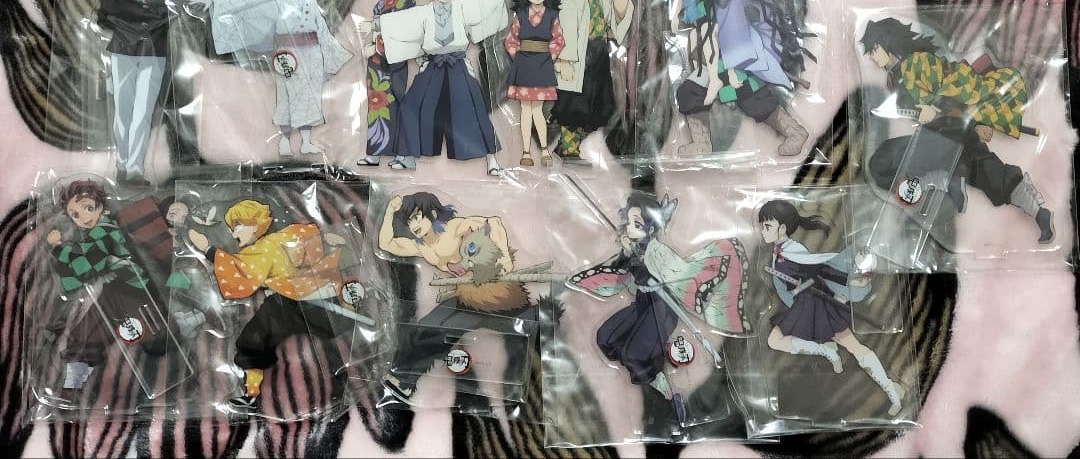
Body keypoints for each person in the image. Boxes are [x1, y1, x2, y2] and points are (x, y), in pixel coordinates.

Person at [860, 17, 1054, 244]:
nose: (872, 56)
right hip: (948, 132)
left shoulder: (916, 63)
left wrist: (940, 111)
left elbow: (955, 88)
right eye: (870, 51)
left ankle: (948, 177)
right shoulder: (896, 75)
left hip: (947, 130)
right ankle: (1038, 213)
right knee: (988, 172)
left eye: (875, 49)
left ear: (888, 43)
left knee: (883, 161)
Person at [569, 193, 750, 424]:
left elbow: (670, 275)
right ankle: (653, 359)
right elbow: (619, 272)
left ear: (651, 229)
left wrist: (637, 260)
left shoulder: (657, 251)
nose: (629, 229)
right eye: (629, 223)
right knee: (606, 337)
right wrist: (627, 254)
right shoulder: (633, 248)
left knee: (635, 355)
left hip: (662, 308)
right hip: (643, 303)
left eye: (636, 225)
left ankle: (670, 395)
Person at [195, 0, 352, 156]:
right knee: (287, 99)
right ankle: (285, 141)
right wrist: (215, 2)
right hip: (288, 54)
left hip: (312, 55)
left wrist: (332, 55)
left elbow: (322, 29)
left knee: (310, 99)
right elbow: (246, 1)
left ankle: (306, 141)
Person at [187, 199, 352, 409]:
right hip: (300, 298)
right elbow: (313, 240)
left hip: (301, 298)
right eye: (232, 229)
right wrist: (328, 240)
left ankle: (254, 394)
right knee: (254, 341)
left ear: (254, 223)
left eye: (237, 227)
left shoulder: (266, 246)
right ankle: (253, 393)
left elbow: (241, 270)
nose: (234, 234)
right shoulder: (282, 237)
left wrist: (208, 249)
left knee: (253, 342)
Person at [47, 180, 202, 390]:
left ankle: (182, 322)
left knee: (154, 339)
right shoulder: (97, 233)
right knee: (89, 330)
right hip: (117, 288)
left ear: (100, 205)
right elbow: (84, 261)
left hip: (134, 289)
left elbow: (83, 266)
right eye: (75, 215)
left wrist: (57, 247)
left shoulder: (104, 230)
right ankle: (75, 378)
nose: (83, 218)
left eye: (88, 208)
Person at [377, 192, 531, 401]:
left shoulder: (455, 228)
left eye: (416, 217)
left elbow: (492, 222)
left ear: (432, 213)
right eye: (409, 221)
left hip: (489, 293)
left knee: (440, 330)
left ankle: (405, 380)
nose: (413, 225)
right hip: (465, 296)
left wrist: (504, 258)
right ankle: (404, 380)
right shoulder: (423, 246)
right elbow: (386, 244)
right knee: (426, 326)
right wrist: (390, 212)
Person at [757, 199, 905, 416]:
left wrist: (848, 280)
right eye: (762, 226)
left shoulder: (793, 250)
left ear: (782, 228)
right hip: (805, 304)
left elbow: (821, 269)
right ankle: (829, 352)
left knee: (854, 347)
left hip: (815, 304)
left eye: (767, 226)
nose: (762, 231)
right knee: (776, 340)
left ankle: (892, 392)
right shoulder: (780, 251)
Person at [670, 0, 810, 157]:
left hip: (738, 62)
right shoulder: (705, 0)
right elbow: (688, 21)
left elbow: (737, 36)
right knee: (689, 92)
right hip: (712, 63)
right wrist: (679, 5)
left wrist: (733, 69)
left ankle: (795, 133)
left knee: (754, 99)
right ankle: (701, 142)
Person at [379, 0, 507, 175]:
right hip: (433, 66)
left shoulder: (462, 6)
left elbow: (486, 0)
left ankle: (492, 160)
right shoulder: (423, 13)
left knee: (473, 107)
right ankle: (407, 156)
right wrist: (376, 25)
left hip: (458, 64)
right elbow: (400, 25)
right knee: (411, 105)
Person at [97, 0, 186, 185]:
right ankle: (122, 164)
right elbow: (103, 16)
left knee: (143, 112)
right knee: (122, 111)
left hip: (154, 52)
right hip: (122, 48)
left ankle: (135, 168)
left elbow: (182, 5)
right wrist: (130, 27)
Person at [551, 0, 633, 161]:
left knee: (599, 106)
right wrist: (564, 60)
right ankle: (568, 148)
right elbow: (566, 30)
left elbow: (618, 17)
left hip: (599, 56)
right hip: (581, 57)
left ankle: (569, 145)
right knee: (576, 106)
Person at [358, 0, 422, 166]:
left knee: (395, 102)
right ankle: (375, 151)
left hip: (392, 59)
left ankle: (404, 154)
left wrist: (374, 39)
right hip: (377, 61)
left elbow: (399, 28)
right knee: (377, 105)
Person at [503, 0, 564, 167]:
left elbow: (558, 41)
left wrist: (548, 58)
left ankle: (544, 150)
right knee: (525, 110)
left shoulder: (552, 16)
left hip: (543, 67)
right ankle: (526, 152)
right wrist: (519, 59)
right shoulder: (520, 16)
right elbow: (510, 41)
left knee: (537, 110)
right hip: (523, 68)